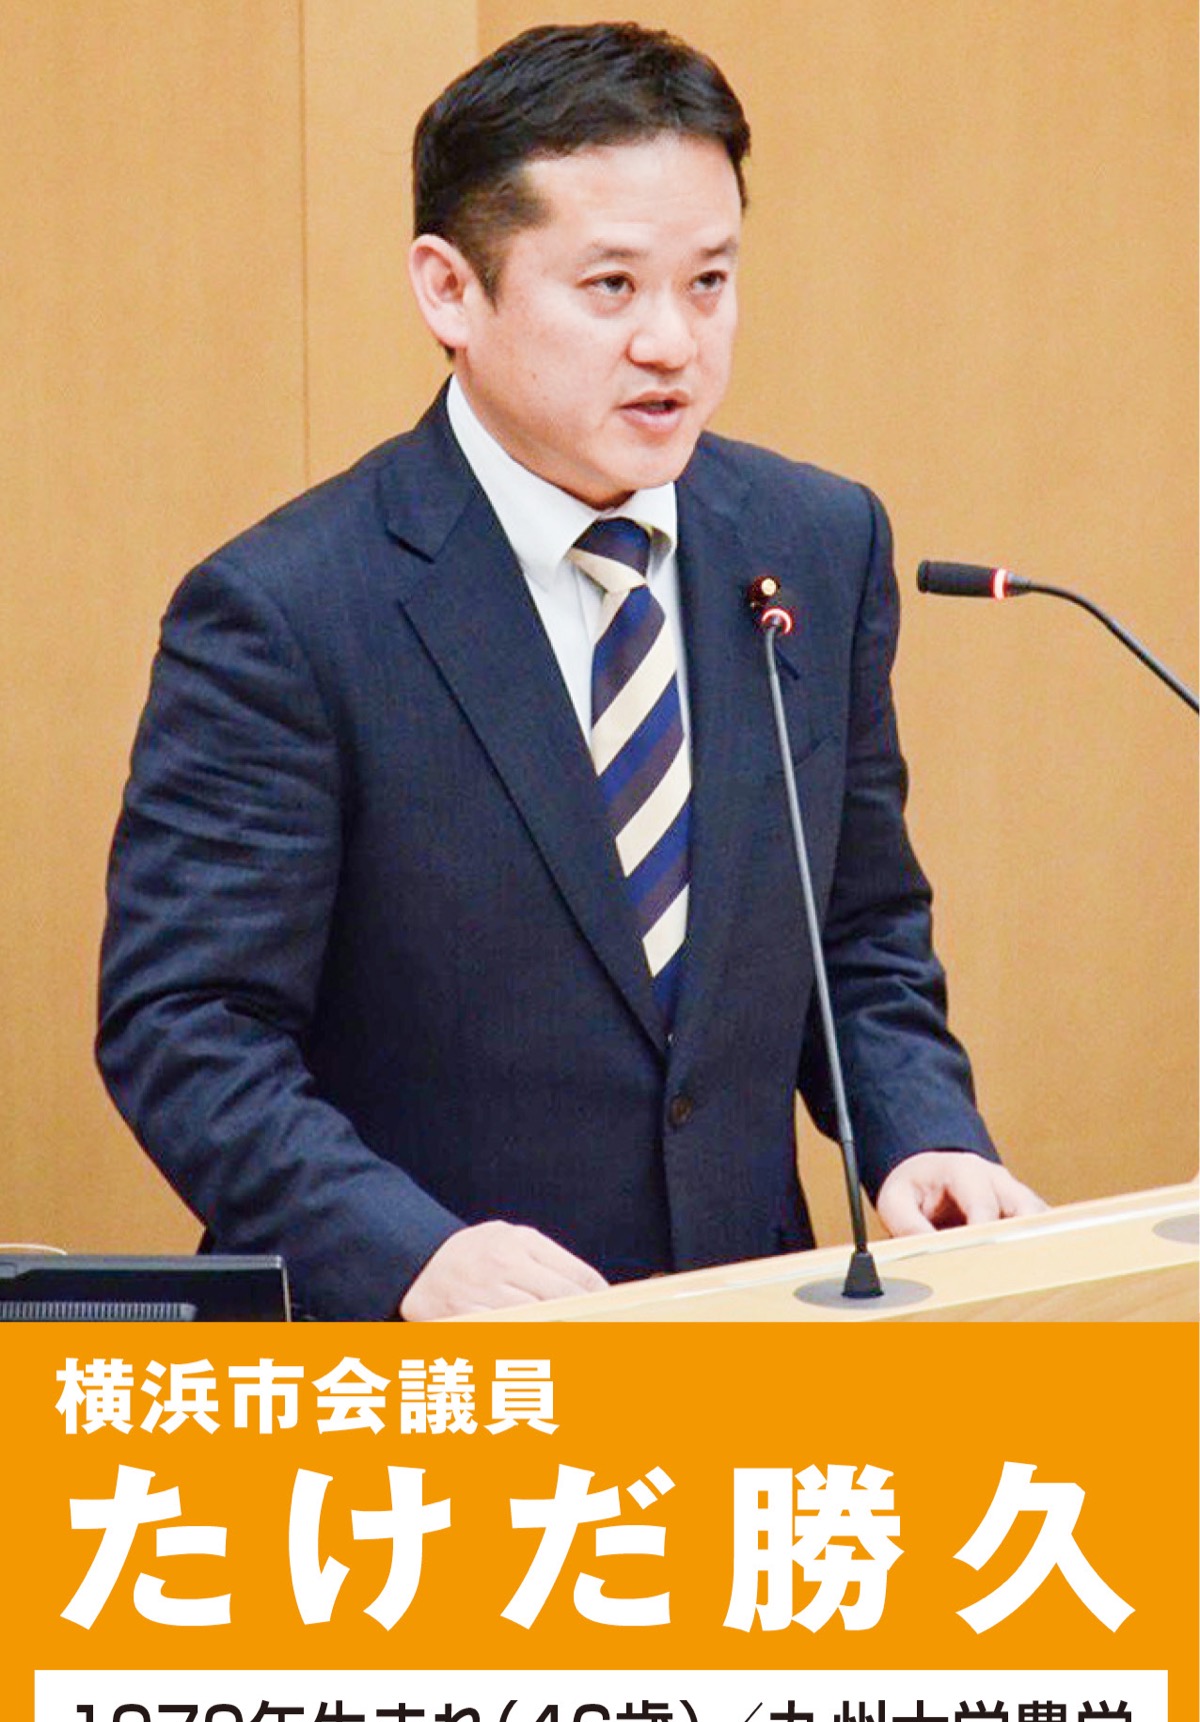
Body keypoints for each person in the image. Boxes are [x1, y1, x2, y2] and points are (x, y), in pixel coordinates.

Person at [97, 21, 1040, 1321]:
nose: (672, 342)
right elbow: (186, 1022)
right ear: (450, 290)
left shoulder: (817, 544)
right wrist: (407, 1251)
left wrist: (919, 1132)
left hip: (748, 1317)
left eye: (709, 282)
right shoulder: (288, 612)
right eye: (610, 287)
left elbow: (858, 928)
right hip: (431, 1355)